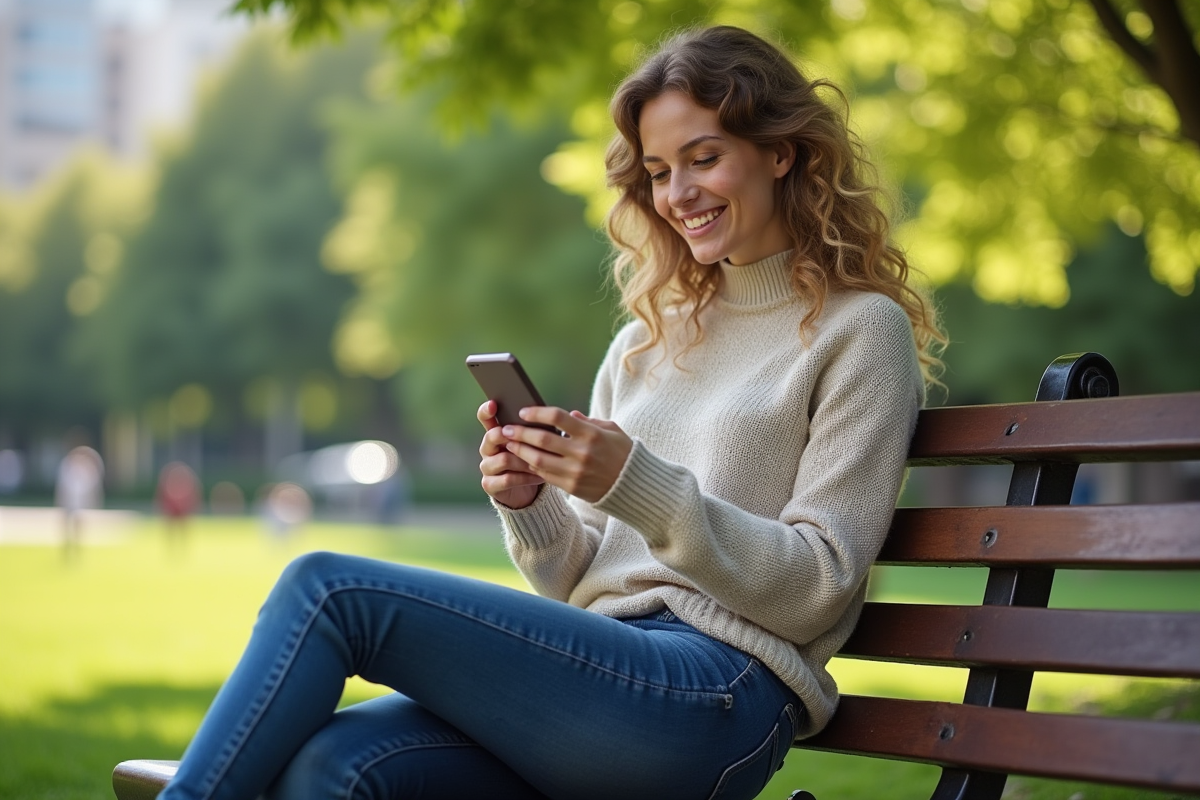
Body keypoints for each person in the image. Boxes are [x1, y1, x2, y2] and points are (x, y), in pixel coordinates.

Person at [158, 25, 943, 800]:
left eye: (705, 158)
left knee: (328, 590)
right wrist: (531, 506)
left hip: (716, 692)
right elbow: (578, 584)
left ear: (782, 151)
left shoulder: (859, 330)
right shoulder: (646, 341)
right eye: (661, 170)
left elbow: (821, 586)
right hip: (602, 673)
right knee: (334, 766)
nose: (679, 195)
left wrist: (637, 484)